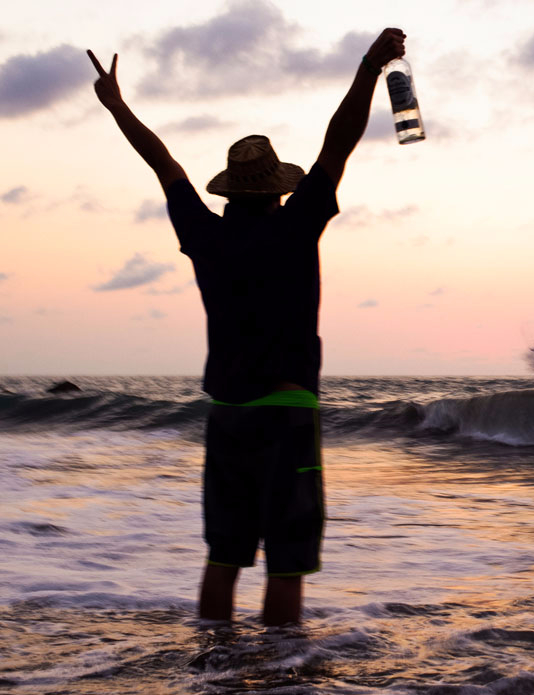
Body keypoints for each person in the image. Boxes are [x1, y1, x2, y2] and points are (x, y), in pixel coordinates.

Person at [87, 28, 408, 626]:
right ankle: (281, 677)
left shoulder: (205, 235)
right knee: (285, 564)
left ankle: (216, 669)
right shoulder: (295, 226)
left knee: (224, 558)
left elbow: (165, 164)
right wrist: (370, 65)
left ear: (231, 192)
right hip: (287, 410)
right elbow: (338, 144)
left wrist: (116, 106)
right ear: (277, 192)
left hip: (227, 415)